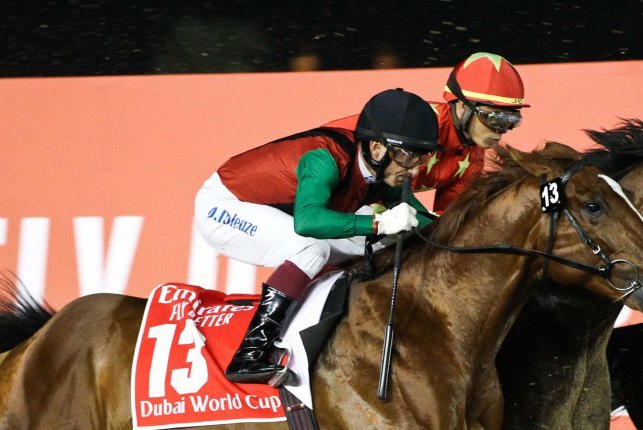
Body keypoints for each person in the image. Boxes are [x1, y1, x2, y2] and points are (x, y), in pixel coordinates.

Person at [195, 88, 440, 384]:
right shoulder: (325, 158)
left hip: (280, 214)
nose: (414, 168)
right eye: (406, 155)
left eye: (421, 157)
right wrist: (378, 224)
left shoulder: (385, 171)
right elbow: (308, 222)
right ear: (377, 149)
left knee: (386, 237)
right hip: (223, 207)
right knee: (312, 247)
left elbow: (424, 223)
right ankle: (249, 354)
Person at [328, 52, 528, 214]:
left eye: (511, 121)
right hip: (328, 189)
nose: (502, 130)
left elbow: (445, 221)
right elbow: (386, 202)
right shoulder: (419, 127)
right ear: (461, 106)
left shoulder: (473, 155)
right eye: (495, 118)